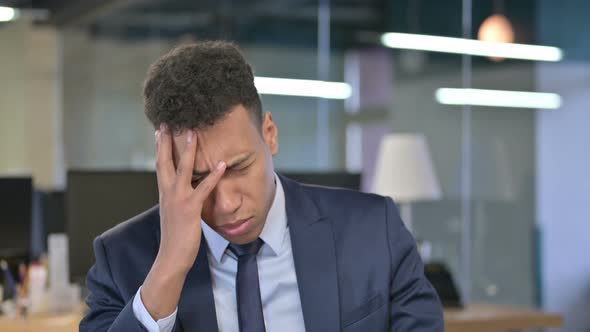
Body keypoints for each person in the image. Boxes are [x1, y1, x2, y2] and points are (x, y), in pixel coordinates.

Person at [79, 41, 443, 332]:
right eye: (196, 181)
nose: (224, 205)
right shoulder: (123, 259)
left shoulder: (372, 231)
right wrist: (170, 265)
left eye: (238, 168)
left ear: (270, 134)